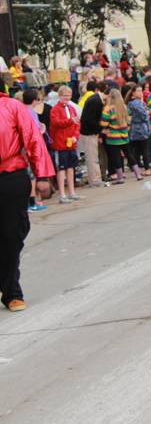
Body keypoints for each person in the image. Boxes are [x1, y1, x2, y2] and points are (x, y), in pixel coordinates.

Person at [0, 77, 55, 311]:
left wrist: (42, 176)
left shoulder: (12, 107)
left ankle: (11, 291)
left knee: (12, 235)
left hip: (9, 176)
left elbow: (33, 140)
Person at [49, 85, 86, 205]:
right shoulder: (55, 109)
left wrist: (76, 136)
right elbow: (56, 123)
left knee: (71, 167)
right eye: (65, 95)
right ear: (60, 96)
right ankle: (62, 194)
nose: (67, 97)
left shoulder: (71, 108)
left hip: (71, 143)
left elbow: (77, 123)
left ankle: (71, 192)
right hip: (60, 143)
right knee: (61, 169)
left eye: (69, 95)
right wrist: (71, 121)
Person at [100, 88, 143, 183]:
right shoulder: (124, 107)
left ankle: (120, 177)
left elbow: (103, 123)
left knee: (116, 157)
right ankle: (138, 174)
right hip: (124, 135)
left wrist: (104, 129)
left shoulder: (107, 109)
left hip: (112, 137)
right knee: (129, 155)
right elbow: (129, 121)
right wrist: (126, 130)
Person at [21, 88, 50, 212]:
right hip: (29, 147)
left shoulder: (19, 110)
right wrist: (43, 129)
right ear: (35, 100)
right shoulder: (31, 113)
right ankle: (31, 203)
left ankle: (27, 201)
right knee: (31, 176)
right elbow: (35, 132)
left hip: (19, 147)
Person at [80, 81, 110, 188]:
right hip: (88, 133)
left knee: (92, 156)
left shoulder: (94, 99)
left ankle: (94, 178)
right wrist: (101, 130)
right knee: (92, 156)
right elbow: (90, 119)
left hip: (88, 131)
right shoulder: (96, 101)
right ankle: (95, 180)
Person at [126, 85, 151, 175]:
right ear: (133, 92)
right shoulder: (138, 103)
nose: (140, 93)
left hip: (133, 128)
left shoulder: (128, 103)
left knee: (136, 149)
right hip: (141, 127)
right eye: (138, 91)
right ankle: (147, 169)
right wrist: (149, 112)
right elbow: (144, 115)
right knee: (144, 148)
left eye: (141, 91)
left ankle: (138, 168)